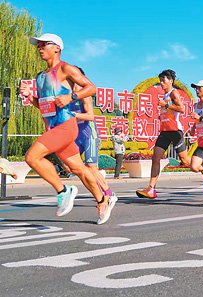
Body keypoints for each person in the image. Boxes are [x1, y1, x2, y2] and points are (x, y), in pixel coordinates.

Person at [19, 33, 116, 224]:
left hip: (66, 126)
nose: (39, 48)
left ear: (57, 48)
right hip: (54, 128)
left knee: (31, 157)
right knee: (78, 168)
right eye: (38, 46)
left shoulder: (65, 69)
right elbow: (46, 106)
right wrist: (31, 98)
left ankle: (64, 191)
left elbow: (91, 88)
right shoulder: (40, 77)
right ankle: (103, 199)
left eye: (43, 45)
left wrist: (71, 98)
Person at [136, 69, 190, 199]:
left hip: (175, 132)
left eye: (164, 80)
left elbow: (182, 108)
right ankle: (151, 189)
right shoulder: (165, 96)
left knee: (186, 162)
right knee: (156, 158)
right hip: (165, 132)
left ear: (171, 81)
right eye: (160, 80)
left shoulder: (174, 93)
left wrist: (166, 105)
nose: (161, 83)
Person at [68, 66, 116, 200]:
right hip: (75, 136)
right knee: (69, 165)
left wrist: (74, 115)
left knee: (91, 167)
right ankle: (98, 180)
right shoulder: (67, 97)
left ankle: (108, 194)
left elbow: (90, 116)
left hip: (89, 135)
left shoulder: (85, 95)